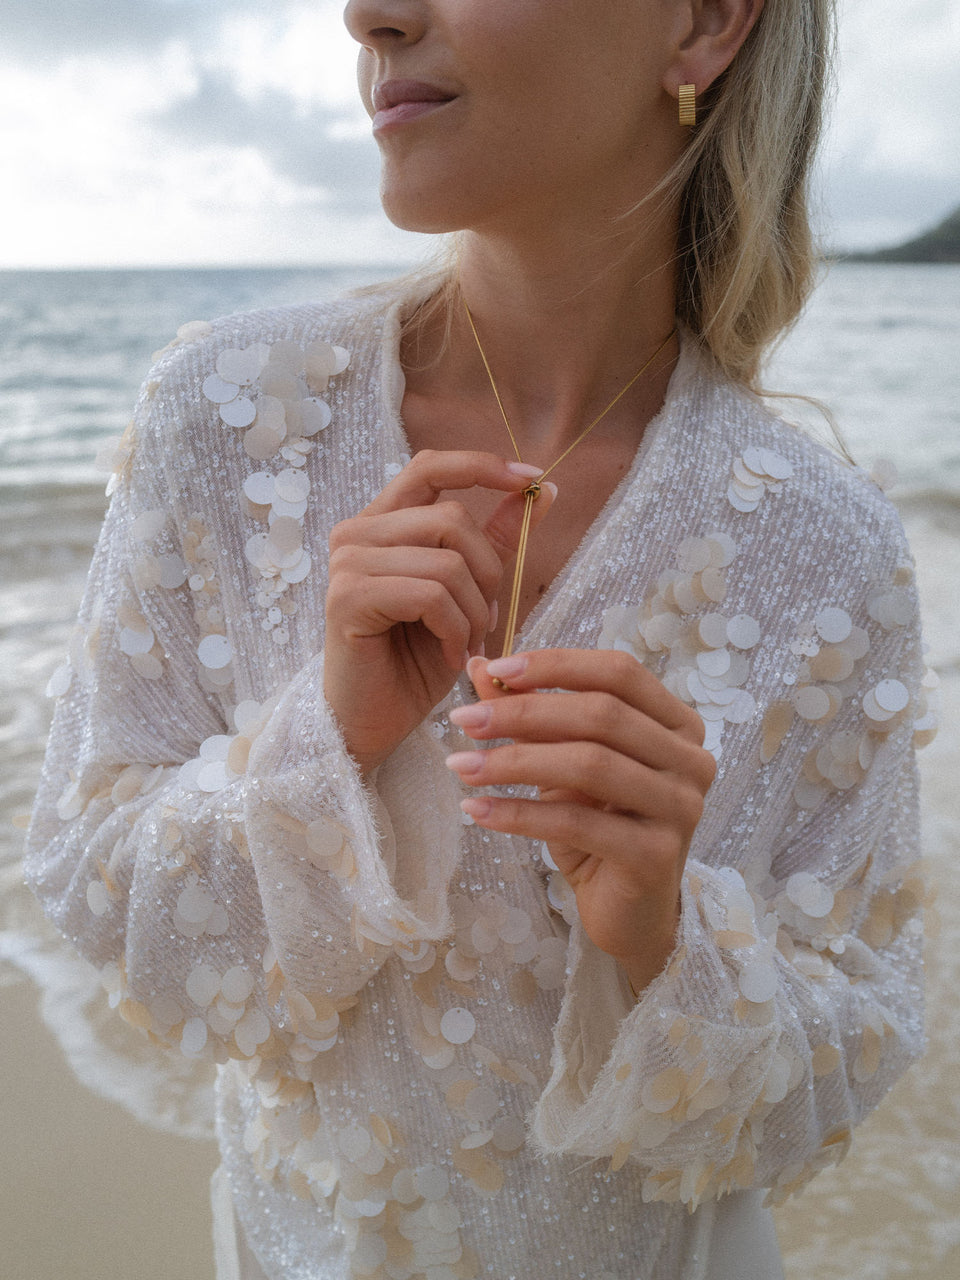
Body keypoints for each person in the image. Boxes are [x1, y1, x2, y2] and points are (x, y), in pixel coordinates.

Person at [23, 1, 935, 1277]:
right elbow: (97, 895)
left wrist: (664, 936)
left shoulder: (828, 548)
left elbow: (853, 1051)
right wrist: (323, 739)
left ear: (705, 24)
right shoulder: (230, 423)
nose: (370, 13)